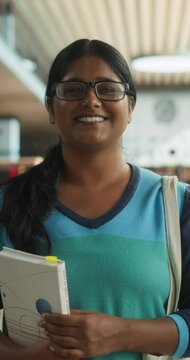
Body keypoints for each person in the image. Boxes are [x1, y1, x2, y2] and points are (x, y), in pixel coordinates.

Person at [0, 38, 190, 360]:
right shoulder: (11, 203)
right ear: (51, 107)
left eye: (108, 88)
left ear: (130, 106)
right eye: (73, 89)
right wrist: (24, 356)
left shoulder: (176, 205)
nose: (91, 100)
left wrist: (119, 334)